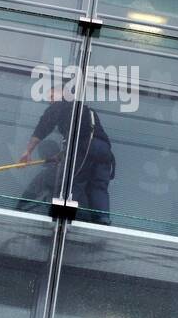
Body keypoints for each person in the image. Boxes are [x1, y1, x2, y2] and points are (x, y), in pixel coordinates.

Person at [19, 88, 114, 224]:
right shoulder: (86, 110)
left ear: (62, 95)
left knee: (72, 180)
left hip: (84, 146)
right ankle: (102, 218)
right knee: (98, 186)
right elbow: (88, 135)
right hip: (104, 151)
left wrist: (28, 151)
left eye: (52, 95)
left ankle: (64, 216)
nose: (49, 99)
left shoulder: (60, 106)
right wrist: (64, 153)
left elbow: (43, 127)